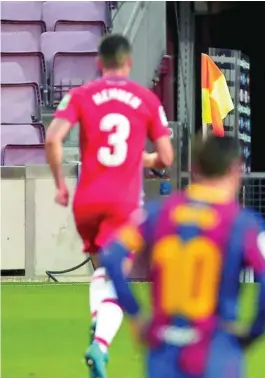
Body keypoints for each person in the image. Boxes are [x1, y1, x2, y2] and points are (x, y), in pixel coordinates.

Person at [100, 135, 265, 378]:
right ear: (235, 170)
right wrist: (254, 332)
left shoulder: (158, 212)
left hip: (164, 349)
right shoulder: (243, 223)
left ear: (195, 169)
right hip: (215, 348)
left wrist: (135, 315)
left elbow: (112, 256)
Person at [44, 33, 173, 377]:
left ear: (99, 63)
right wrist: (140, 158)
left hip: (86, 199)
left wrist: (59, 184)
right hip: (123, 202)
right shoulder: (144, 97)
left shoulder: (80, 94)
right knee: (116, 277)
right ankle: (100, 345)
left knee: (103, 271)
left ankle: (100, 321)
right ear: (129, 63)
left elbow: (53, 138)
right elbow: (166, 156)